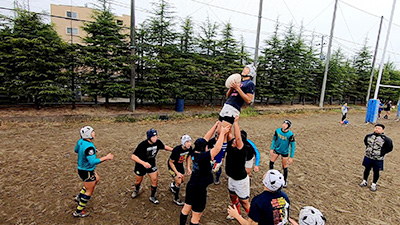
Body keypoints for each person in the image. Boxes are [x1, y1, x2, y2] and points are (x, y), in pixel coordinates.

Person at [180, 122, 231, 225]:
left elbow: (205, 139)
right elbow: (217, 148)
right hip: (200, 188)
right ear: (205, 148)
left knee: (186, 208)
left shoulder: (194, 152)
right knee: (196, 216)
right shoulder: (204, 156)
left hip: (191, 185)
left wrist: (216, 125)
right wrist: (222, 134)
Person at [73, 126, 114, 217]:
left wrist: (92, 151)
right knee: (89, 191)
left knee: (96, 179)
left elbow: (76, 150)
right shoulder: (89, 147)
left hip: (82, 169)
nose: (94, 133)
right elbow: (92, 161)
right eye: (92, 131)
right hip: (87, 171)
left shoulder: (81, 141)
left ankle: (79, 197)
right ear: (88, 134)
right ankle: (78, 211)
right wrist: (106, 158)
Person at [227, 169, 293, 224]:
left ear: (265, 182)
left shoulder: (259, 201)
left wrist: (236, 215)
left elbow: (249, 224)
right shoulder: (284, 196)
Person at [131, 129, 173, 204]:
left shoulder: (158, 142)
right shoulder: (142, 145)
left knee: (154, 179)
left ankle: (152, 196)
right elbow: (133, 156)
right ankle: (136, 190)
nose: (155, 138)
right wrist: (143, 163)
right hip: (140, 165)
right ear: (149, 138)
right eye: (153, 136)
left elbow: (164, 146)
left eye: (156, 136)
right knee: (138, 181)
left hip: (151, 164)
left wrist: (173, 150)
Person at [225, 117, 252, 220]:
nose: (234, 141)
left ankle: (254, 219)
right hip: (231, 178)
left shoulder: (241, 150)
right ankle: (237, 214)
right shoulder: (231, 145)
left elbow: (238, 137)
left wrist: (236, 122)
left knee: (245, 202)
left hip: (241, 181)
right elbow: (229, 134)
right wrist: (228, 122)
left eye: (236, 140)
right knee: (233, 197)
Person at [360, 124, 393, 191]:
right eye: (376, 128)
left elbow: (389, 148)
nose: (377, 129)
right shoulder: (369, 136)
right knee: (366, 169)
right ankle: (364, 181)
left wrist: (381, 153)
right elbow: (366, 143)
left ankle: (374, 184)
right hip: (368, 156)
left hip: (378, 159)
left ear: (382, 130)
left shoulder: (386, 139)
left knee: (376, 171)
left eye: (379, 128)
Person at [168, 134, 193, 206]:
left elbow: (188, 157)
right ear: (183, 143)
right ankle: (176, 199)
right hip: (173, 166)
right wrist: (177, 173)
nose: (189, 143)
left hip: (179, 165)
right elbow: (171, 162)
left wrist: (188, 167)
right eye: (187, 142)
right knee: (178, 181)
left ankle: (172, 185)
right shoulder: (177, 150)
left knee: (182, 180)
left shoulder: (189, 148)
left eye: (190, 141)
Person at [269, 120, 296, 187]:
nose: (284, 125)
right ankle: (271, 176)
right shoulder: (277, 131)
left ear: (288, 127)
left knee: (284, 165)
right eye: (283, 123)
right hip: (277, 149)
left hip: (285, 152)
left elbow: (293, 146)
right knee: (271, 162)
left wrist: (291, 157)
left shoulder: (290, 135)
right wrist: (272, 148)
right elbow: (274, 140)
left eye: (286, 124)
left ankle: (284, 180)